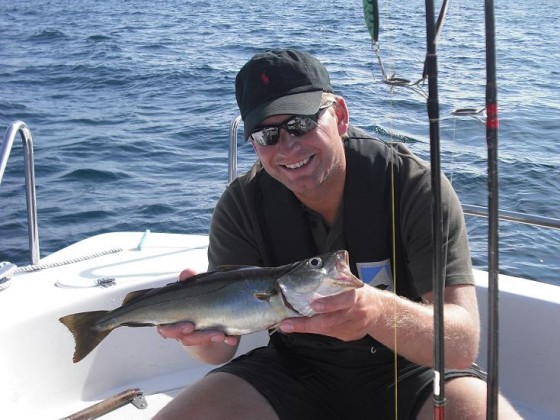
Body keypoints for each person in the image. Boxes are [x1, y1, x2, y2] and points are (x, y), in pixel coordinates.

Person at [154, 49, 520, 419]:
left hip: (412, 368)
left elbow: (461, 343)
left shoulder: (414, 186)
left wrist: (377, 312)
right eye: (268, 135)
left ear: (340, 116)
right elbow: (217, 351)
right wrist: (195, 338)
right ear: (253, 144)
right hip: (293, 368)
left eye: (300, 124)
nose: (287, 146)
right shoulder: (241, 204)